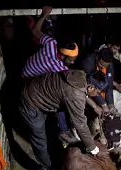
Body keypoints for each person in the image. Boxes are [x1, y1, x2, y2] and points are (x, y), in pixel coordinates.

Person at [19, 69, 101, 169]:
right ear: (91, 87)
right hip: (31, 102)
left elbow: (77, 93)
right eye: (98, 92)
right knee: (39, 138)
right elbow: (80, 123)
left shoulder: (80, 74)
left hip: (37, 88)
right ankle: (47, 168)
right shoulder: (75, 95)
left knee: (48, 129)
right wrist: (91, 146)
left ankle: (50, 155)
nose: (98, 95)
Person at [22, 6, 79, 144]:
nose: (73, 62)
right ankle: (63, 131)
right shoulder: (59, 67)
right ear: (63, 56)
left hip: (25, 71)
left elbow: (35, 31)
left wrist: (44, 14)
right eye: (71, 60)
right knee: (60, 101)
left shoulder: (51, 43)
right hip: (27, 82)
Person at [82, 48, 116, 113]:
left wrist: (111, 104)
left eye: (105, 66)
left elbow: (110, 84)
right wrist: (103, 105)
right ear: (97, 57)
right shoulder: (87, 64)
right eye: (101, 64)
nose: (102, 68)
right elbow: (92, 88)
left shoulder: (110, 63)